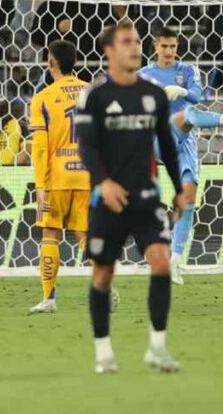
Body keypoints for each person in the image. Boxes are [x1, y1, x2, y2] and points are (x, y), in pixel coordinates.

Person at [75, 19, 187, 374]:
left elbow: (167, 148)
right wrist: (103, 183)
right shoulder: (94, 96)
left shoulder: (153, 94)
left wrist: (179, 189)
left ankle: (157, 347)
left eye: (137, 41)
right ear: (109, 50)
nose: (135, 47)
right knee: (103, 274)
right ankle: (103, 352)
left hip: (146, 199)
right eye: (127, 41)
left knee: (162, 263)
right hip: (108, 201)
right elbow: (87, 148)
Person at [139, 28, 223, 284]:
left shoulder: (188, 70)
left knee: (188, 196)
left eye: (173, 46)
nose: (169, 51)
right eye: (164, 46)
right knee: (185, 116)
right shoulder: (143, 75)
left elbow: (198, 95)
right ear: (155, 46)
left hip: (186, 140)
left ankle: (175, 261)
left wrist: (182, 91)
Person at [28, 40, 89, 314]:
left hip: (56, 178)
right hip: (87, 175)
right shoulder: (91, 92)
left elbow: (39, 148)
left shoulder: (42, 98)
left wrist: (40, 186)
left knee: (50, 234)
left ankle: (49, 298)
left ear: (50, 62)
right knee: (85, 234)